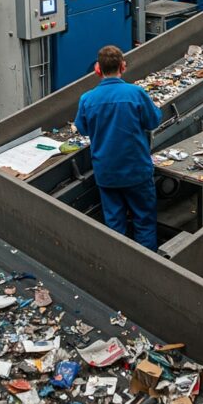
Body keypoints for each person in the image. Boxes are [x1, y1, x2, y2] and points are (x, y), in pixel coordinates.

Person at [74, 45, 162, 250]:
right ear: (123, 66)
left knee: (114, 226)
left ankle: (118, 270)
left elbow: (83, 129)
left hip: (107, 174)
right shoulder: (136, 93)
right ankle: (147, 269)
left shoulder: (87, 99)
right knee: (144, 222)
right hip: (136, 171)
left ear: (98, 69)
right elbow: (153, 121)